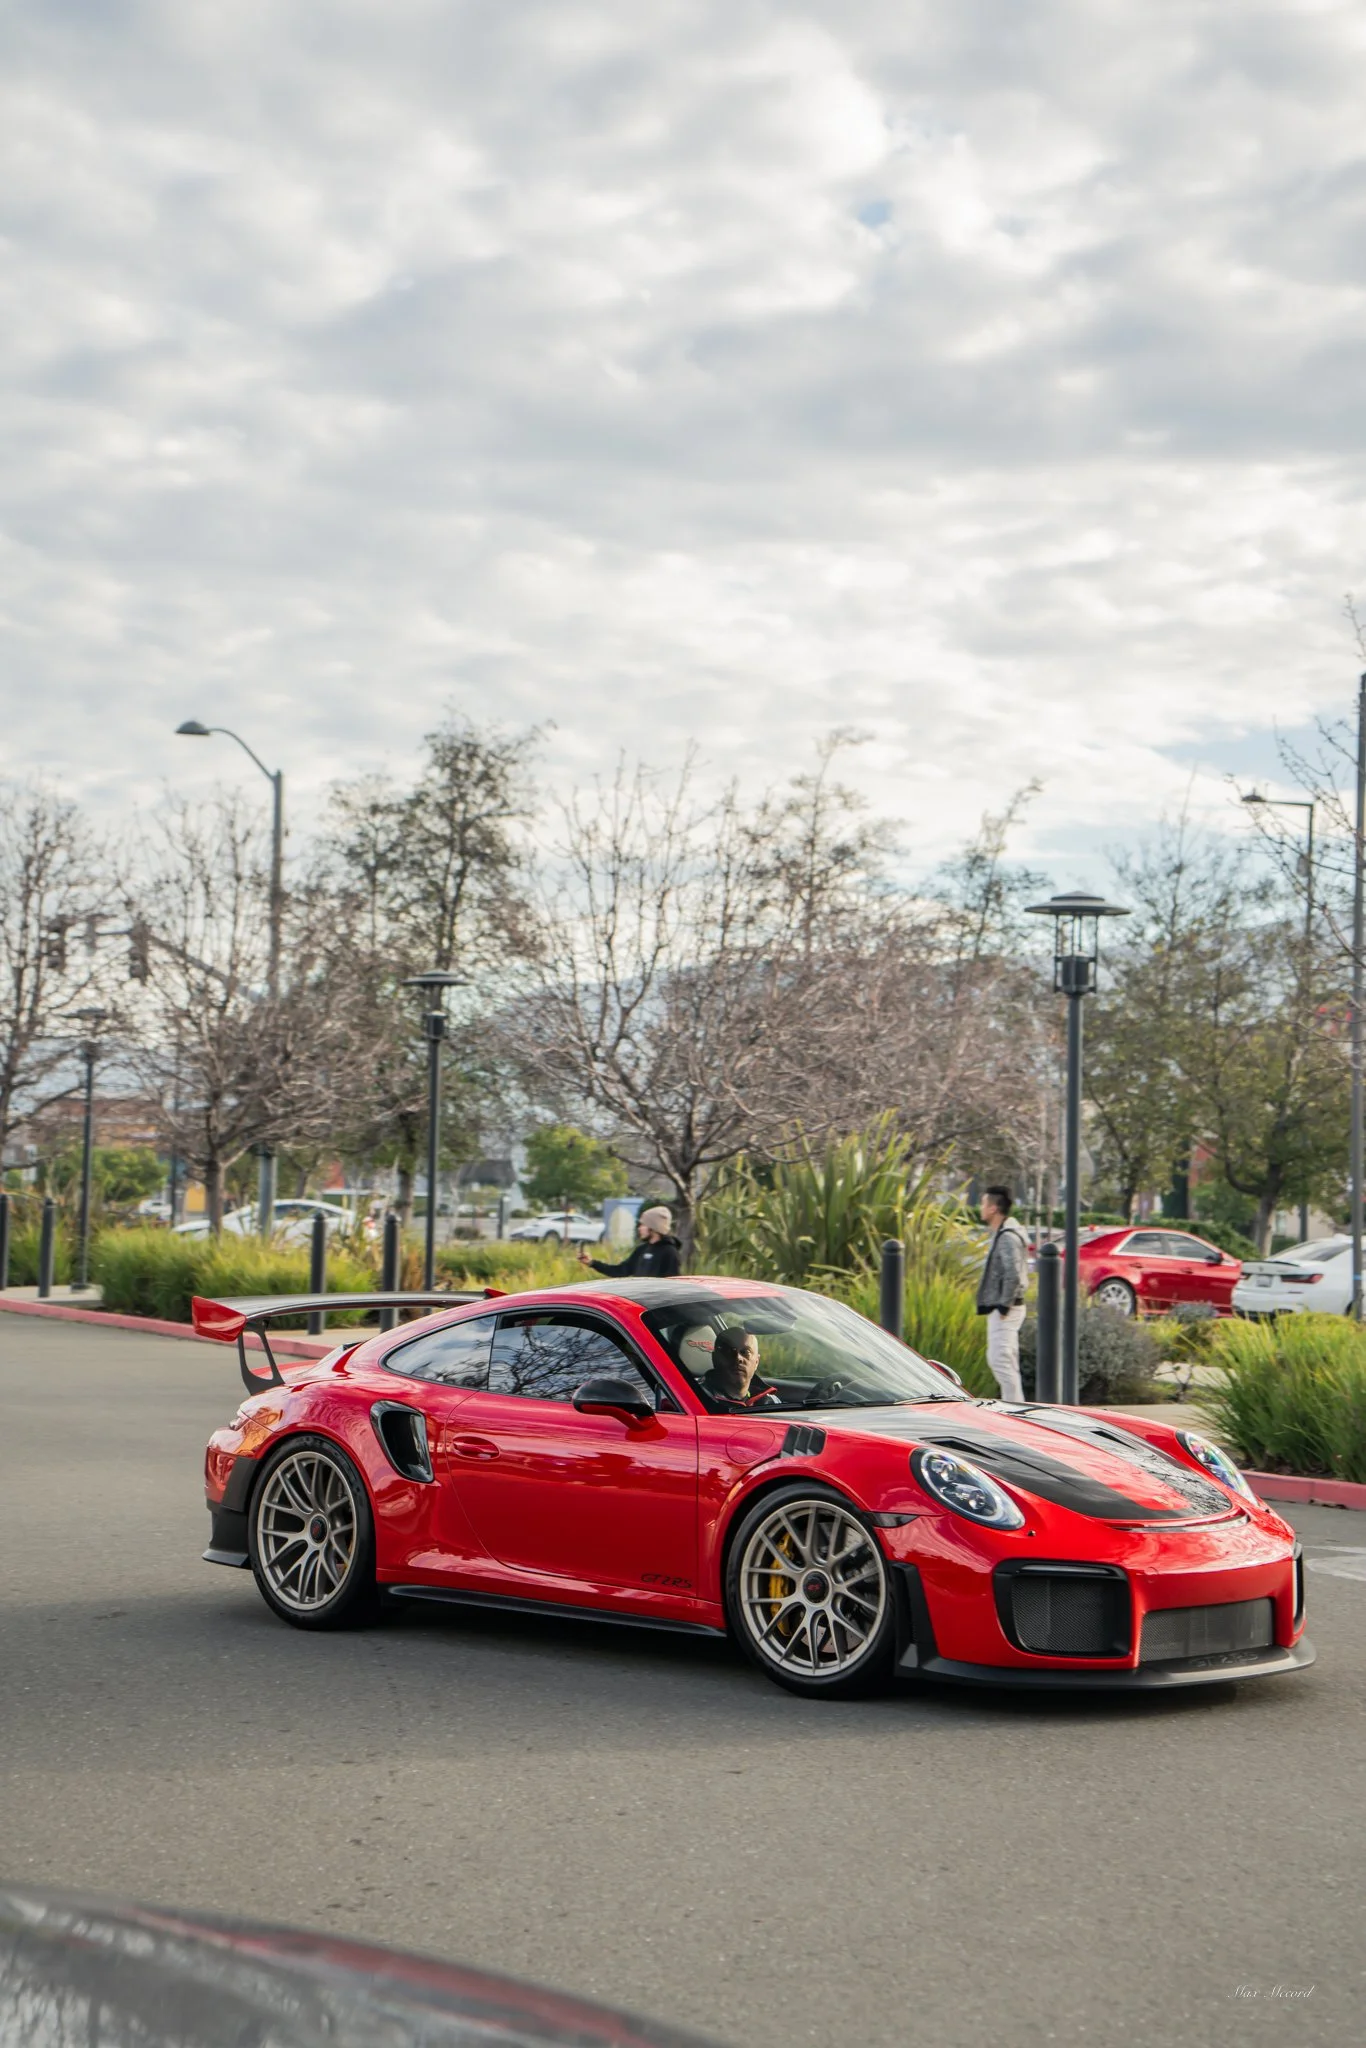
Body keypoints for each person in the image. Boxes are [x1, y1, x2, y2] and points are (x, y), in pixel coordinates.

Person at [976, 1183, 1029, 1401]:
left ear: (993, 1208)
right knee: (1004, 1360)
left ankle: (1015, 1411)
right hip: (1005, 1307)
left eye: (983, 1203)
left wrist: (1005, 1304)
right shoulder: (1004, 1233)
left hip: (1006, 1308)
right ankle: (1015, 1408)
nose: (980, 1208)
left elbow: (1013, 1274)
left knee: (1000, 1360)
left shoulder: (1007, 1236)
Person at [581, 1204, 682, 1278]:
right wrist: (592, 1263)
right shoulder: (642, 1249)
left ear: (653, 1228)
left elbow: (672, 1286)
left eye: (643, 1225)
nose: (639, 1228)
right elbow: (620, 1270)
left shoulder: (670, 1252)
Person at [699, 1326, 781, 1409]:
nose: (738, 1358)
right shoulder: (697, 1398)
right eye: (729, 1351)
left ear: (757, 1362)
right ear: (715, 1358)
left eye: (746, 1352)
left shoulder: (771, 1402)